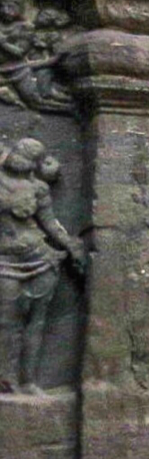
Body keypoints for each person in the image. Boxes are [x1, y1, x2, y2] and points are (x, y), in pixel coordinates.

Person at [0, 139, 84, 392]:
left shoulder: (38, 188)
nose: (19, 157)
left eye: (28, 155)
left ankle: (29, 381)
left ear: (35, 164)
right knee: (6, 321)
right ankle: (6, 378)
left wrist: (72, 246)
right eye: (19, 151)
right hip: (5, 259)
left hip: (39, 257)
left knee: (36, 322)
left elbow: (50, 223)